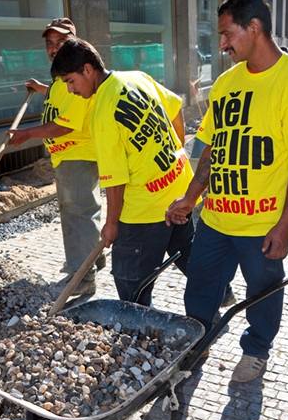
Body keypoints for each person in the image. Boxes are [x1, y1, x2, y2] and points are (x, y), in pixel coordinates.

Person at [166, 0, 288, 382]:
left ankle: (257, 349)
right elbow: (212, 148)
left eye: (226, 34)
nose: (221, 44)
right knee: (201, 290)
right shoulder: (225, 84)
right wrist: (190, 197)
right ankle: (196, 343)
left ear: (253, 28)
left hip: (263, 224)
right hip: (217, 219)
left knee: (263, 293)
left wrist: (285, 224)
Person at [51, 38, 195, 306]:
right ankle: (214, 302)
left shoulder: (103, 112)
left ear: (87, 70)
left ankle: (143, 331)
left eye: (71, 81)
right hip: (180, 190)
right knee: (190, 256)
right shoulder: (136, 78)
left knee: (130, 279)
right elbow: (175, 109)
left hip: (145, 211)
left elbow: (115, 180)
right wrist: (177, 152)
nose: (70, 90)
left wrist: (112, 224)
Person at [8, 18, 103, 296]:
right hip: (67, 156)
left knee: (77, 215)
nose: (53, 48)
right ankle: (93, 258)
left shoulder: (76, 75)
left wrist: (27, 135)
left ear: (74, 42)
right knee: (83, 211)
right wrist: (41, 88)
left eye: (60, 42)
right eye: (49, 43)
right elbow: (58, 93)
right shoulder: (62, 79)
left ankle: (82, 277)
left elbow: (66, 124)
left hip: (77, 154)